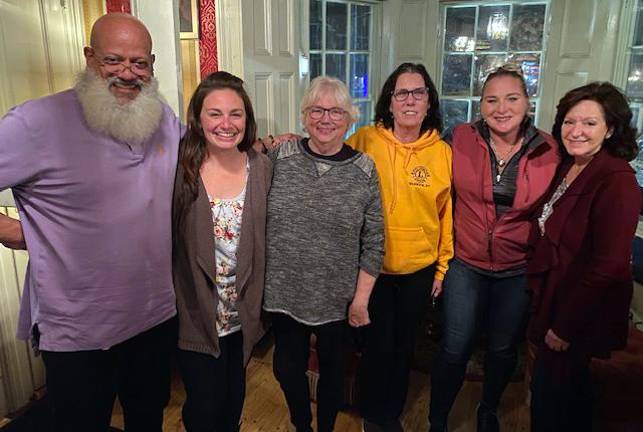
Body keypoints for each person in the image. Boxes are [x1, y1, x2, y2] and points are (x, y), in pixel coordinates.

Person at [0, 13, 181, 432]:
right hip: (79, 329)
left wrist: (262, 144)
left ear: (151, 64)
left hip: (153, 318)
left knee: (148, 419)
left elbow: (199, 157)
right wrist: (16, 231)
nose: (127, 73)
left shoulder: (161, 118)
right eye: (114, 60)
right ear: (89, 57)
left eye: (140, 63)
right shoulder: (35, 123)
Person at [429, 64, 560, 432]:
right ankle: (437, 417)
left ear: (528, 104)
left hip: (516, 267)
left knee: (503, 349)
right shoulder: (460, 137)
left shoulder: (550, 149)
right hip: (465, 263)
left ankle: (488, 409)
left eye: (512, 98)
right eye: (492, 100)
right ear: (481, 106)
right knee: (454, 347)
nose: (501, 108)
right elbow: (417, 152)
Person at [262, 75, 384, 432]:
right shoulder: (280, 156)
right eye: (316, 109)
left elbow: (374, 239)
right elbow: (238, 158)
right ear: (303, 116)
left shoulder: (364, 169)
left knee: (333, 371)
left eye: (336, 111)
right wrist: (267, 139)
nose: (325, 118)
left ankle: (326, 428)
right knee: (286, 368)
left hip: (336, 295)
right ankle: (302, 424)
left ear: (350, 118)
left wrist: (360, 301)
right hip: (283, 291)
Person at [345, 63, 453, 432]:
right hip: (371, 268)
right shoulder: (364, 140)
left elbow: (447, 215)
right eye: (401, 93)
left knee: (404, 348)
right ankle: (371, 416)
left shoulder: (442, 153)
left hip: (418, 270)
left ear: (428, 102)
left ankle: (390, 414)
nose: (410, 100)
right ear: (389, 103)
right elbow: (335, 179)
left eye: (418, 93)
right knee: (376, 345)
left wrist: (441, 268)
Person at [527, 82, 641, 432]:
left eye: (590, 123)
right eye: (569, 121)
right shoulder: (571, 165)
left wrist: (564, 326)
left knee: (560, 405)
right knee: (551, 396)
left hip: (579, 314)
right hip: (556, 298)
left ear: (610, 128)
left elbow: (608, 265)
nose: (576, 131)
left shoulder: (618, 180)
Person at [172, 71, 271, 432]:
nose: (226, 124)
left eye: (236, 114)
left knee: (233, 402)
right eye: (215, 114)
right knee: (203, 406)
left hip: (241, 314)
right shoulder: (180, 168)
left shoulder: (261, 168)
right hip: (197, 314)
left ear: (247, 118)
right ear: (198, 119)